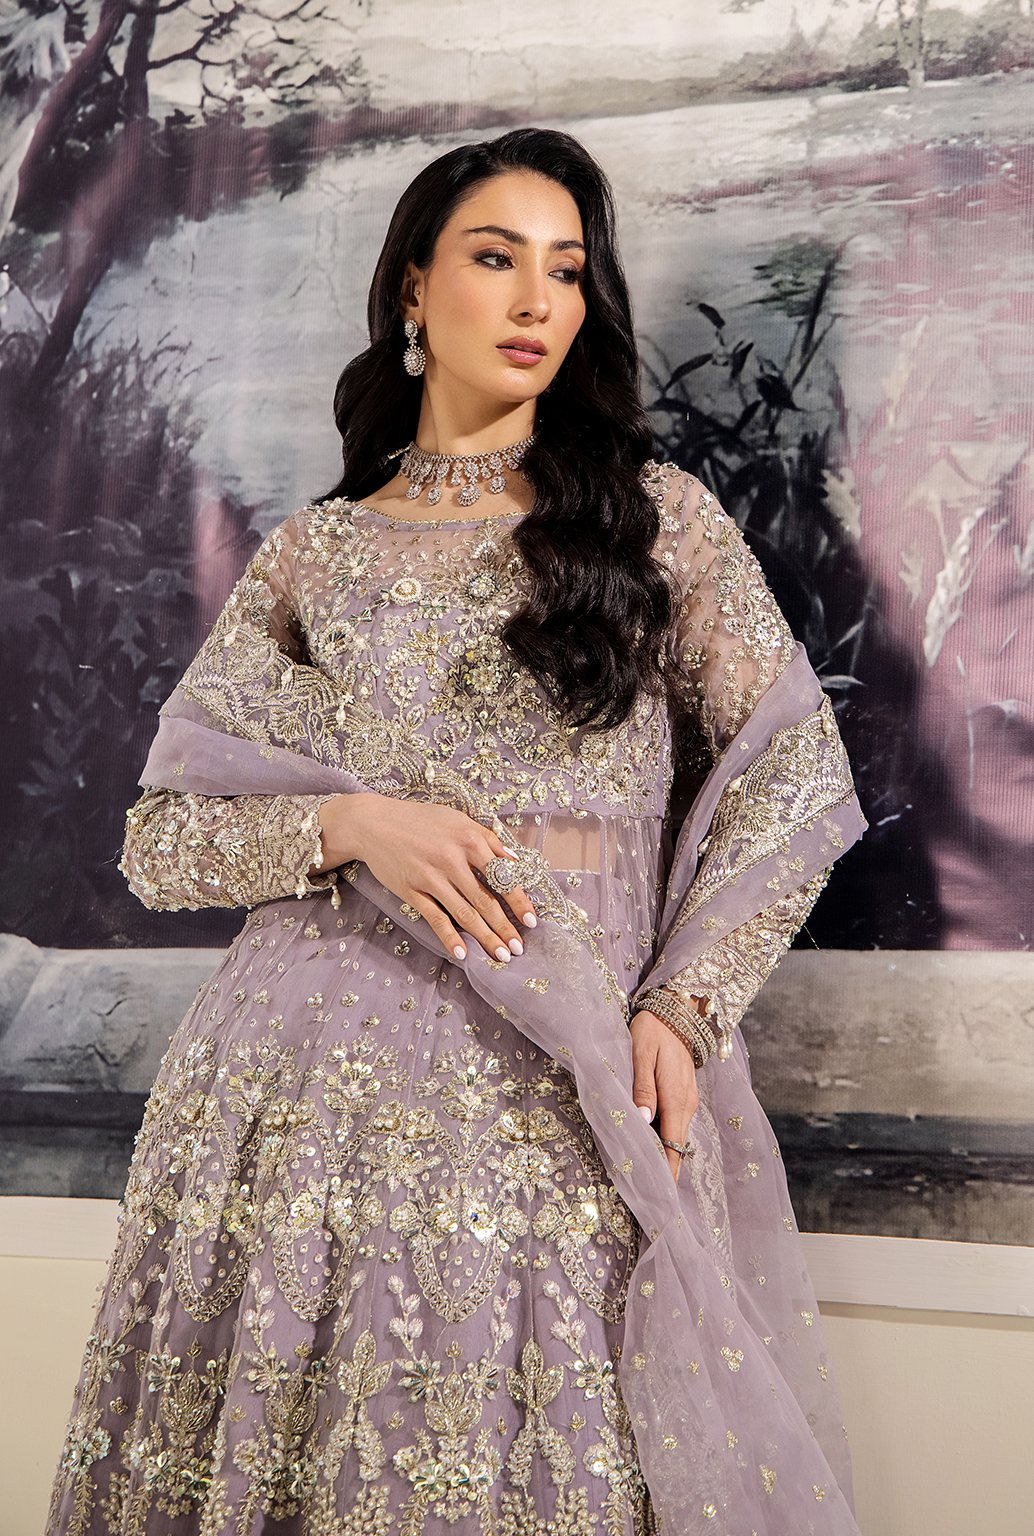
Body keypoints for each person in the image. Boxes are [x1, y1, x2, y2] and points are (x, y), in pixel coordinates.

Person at [48, 128, 865, 1536]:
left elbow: (791, 777)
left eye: (567, 270)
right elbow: (163, 839)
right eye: (496, 258)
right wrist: (353, 823)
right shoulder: (318, 553)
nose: (538, 299)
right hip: (294, 1110)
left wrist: (682, 1005)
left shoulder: (653, 525)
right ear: (415, 289)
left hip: (555, 1087)